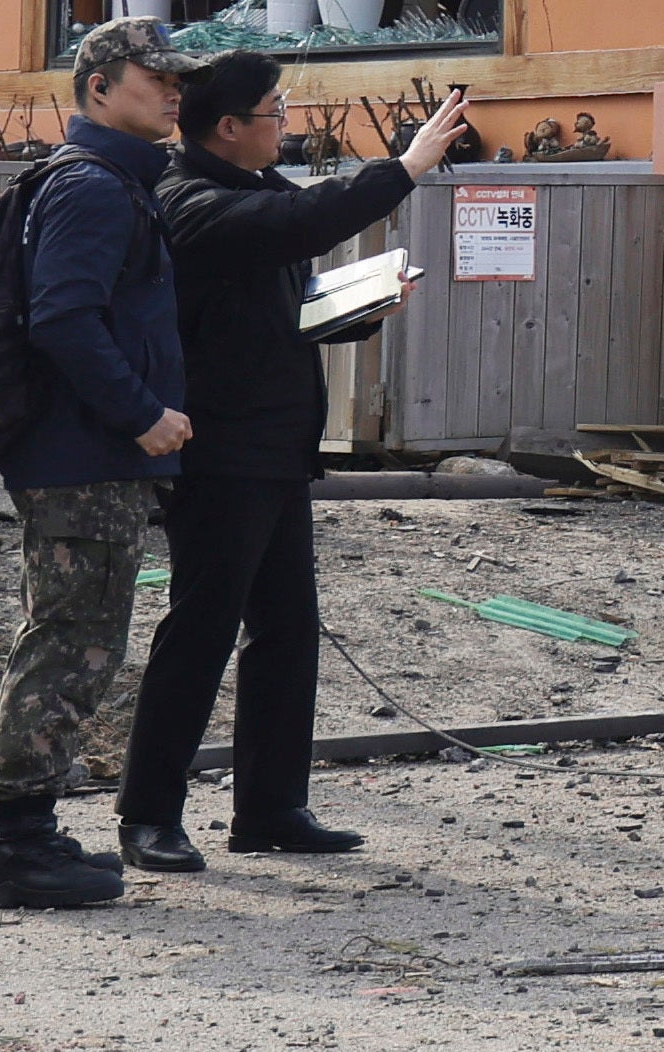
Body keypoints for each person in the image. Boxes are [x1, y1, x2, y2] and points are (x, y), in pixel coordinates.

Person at [114, 67, 470, 871]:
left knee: (286, 630)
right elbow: (300, 222)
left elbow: (281, 304)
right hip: (218, 450)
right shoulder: (191, 199)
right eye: (274, 114)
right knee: (200, 630)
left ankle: (271, 807)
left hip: (274, 446)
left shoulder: (250, 185)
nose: (287, 125)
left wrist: (354, 310)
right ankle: (148, 814)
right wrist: (404, 167)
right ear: (228, 127)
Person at [0, 17, 196, 911]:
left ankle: (29, 837)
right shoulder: (97, 187)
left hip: (83, 454)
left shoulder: (113, 181)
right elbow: (63, 317)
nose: (175, 91)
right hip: (81, 456)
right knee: (72, 643)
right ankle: (20, 846)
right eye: (157, 77)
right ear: (100, 85)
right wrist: (139, 414)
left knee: (77, 638)